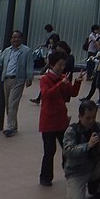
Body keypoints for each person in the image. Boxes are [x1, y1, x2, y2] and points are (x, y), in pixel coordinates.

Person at [38, 50, 85, 186]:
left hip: (61, 120)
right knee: (49, 151)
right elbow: (46, 95)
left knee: (67, 148)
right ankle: (45, 177)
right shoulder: (46, 79)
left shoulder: (63, 77)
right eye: (59, 65)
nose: (61, 68)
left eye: (63, 65)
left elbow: (72, 93)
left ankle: (70, 171)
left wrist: (77, 82)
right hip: (48, 121)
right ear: (52, 65)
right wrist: (61, 84)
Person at [0, 30, 35, 137]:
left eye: (17, 37)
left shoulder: (26, 51)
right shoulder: (7, 51)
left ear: (21, 39)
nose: (15, 39)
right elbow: (0, 61)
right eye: (13, 37)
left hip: (18, 80)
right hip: (6, 79)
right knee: (8, 104)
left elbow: (29, 65)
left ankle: (10, 127)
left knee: (12, 103)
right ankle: (13, 126)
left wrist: (29, 78)